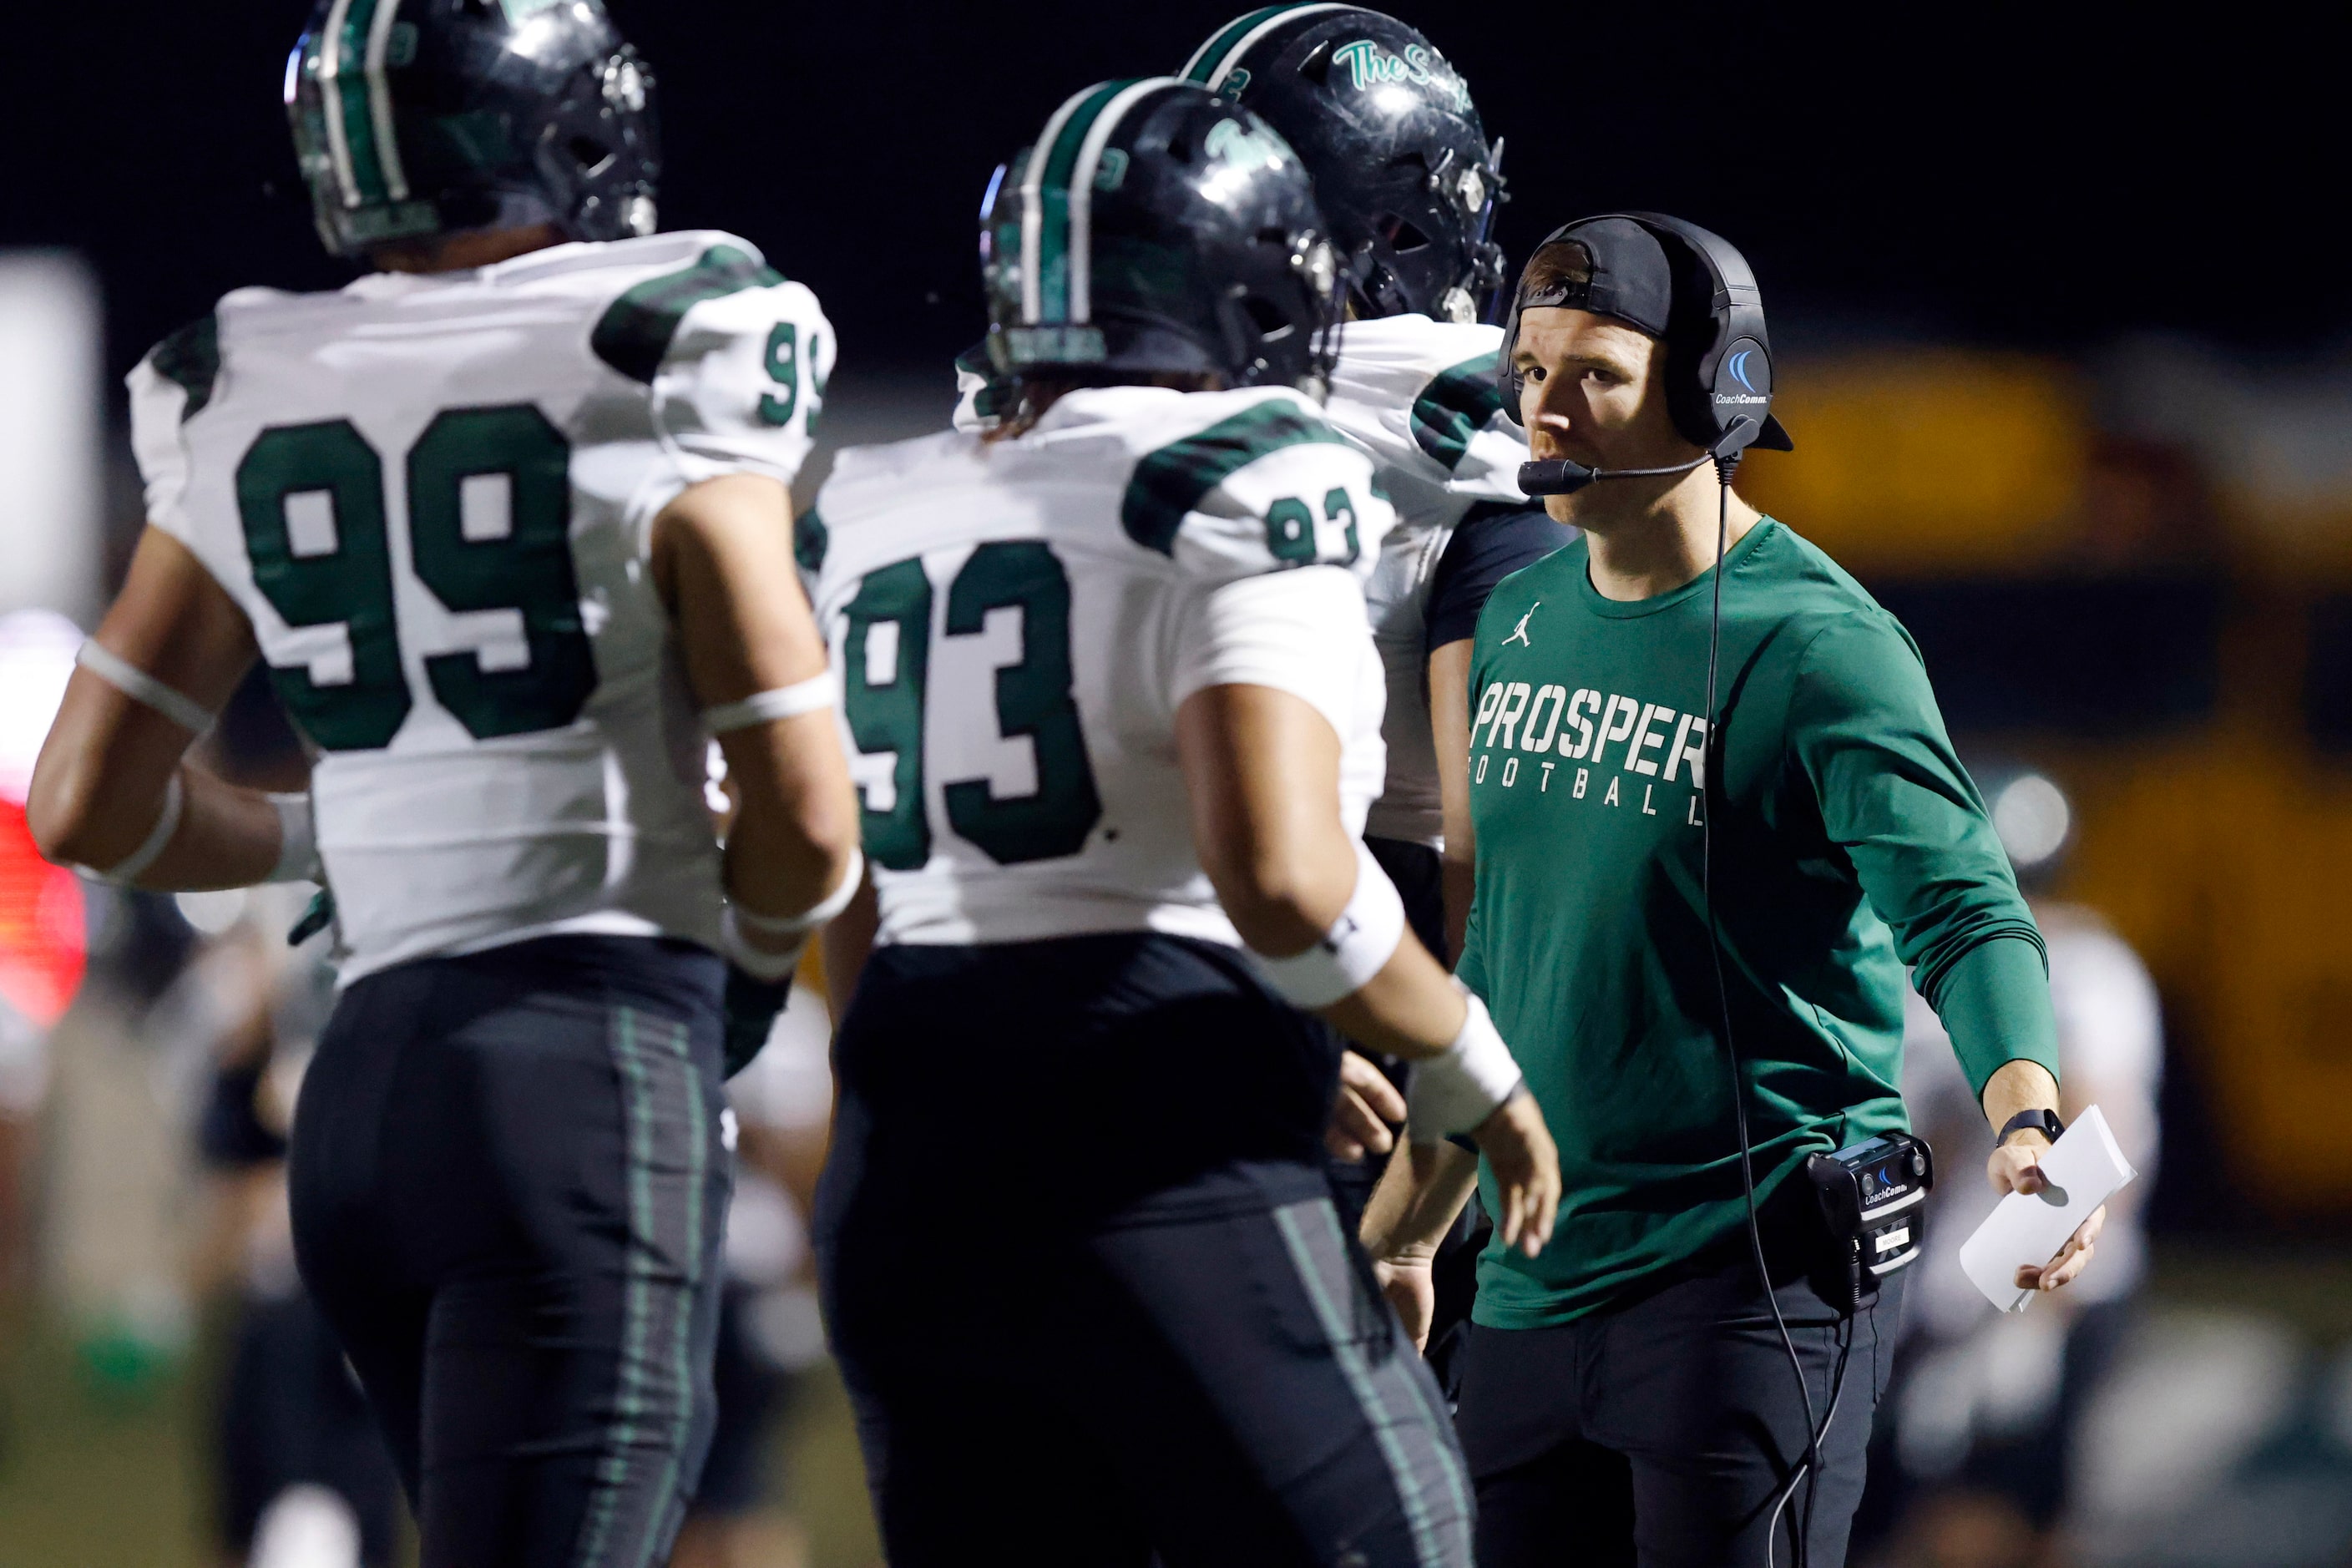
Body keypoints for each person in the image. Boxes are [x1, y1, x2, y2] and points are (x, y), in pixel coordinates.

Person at [27, 3, 861, 1564]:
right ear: (579, 136)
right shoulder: (666, 340)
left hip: (361, 1100)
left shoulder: (254, 373)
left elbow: (87, 802)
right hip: (586, 1066)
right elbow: (807, 818)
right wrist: (742, 972)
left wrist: (329, 829)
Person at [807, 79, 1560, 1568]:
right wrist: (1470, 1064)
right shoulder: (1247, 477)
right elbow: (1282, 873)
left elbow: (862, 894)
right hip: (1146, 1139)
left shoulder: (872, 499)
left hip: (902, 1147)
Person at [1357, 215, 2106, 1568]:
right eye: (1526, 369)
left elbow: (1965, 909)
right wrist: (1412, 1228)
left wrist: (2025, 1116)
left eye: (1592, 371)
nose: (1544, 407)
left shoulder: (1820, 640)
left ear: (1714, 391)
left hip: (1744, 1285)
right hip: (1526, 1286)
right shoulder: (1519, 618)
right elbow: (1505, 975)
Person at [1178, 0, 1578, 1362]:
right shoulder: (1479, 447)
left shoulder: (1127, 420)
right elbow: (1508, 892)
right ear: (1414, 221)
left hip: (1131, 1002)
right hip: (1380, 1039)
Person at [1858, 769, 2162, 1568]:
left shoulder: (2083, 970)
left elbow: (2096, 1135)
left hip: (2032, 1289)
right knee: (1913, 1513)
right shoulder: (1936, 975)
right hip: (1948, 1287)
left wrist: (2021, 1291)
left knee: (1992, 1517)